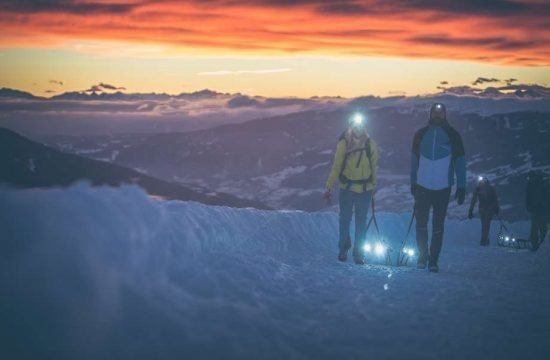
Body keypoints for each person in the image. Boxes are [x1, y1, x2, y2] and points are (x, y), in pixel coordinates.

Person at [410, 103, 466, 273]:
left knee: (438, 226)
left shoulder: (453, 135)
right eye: (435, 112)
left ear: (445, 115)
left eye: (440, 113)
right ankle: (422, 257)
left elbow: (460, 161)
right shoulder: (420, 135)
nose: (437, 115)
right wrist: (413, 181)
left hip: (443, 187)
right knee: (421, 223)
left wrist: (462, 186)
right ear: (430, 114)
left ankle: (433, 260)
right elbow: (414, 160)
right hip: (422, 186)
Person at [324, 113, 378, 264]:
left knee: (350, 221)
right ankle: (348, 250)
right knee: (350, 221)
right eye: (355, 124)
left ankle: (354, 252)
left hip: (357, 189)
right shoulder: (346, 143)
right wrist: (329, 186)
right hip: (353, 189)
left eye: (360, 124)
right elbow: (337, 166)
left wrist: (373, 185)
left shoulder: (369, 144)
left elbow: (374, 167)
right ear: (351, 125)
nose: (358, 127)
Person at [468, 176, 500, 246]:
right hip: (489, 209)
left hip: (482, 209)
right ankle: (485, 239)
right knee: (487, 224)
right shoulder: (491, 188)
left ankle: (484, 240)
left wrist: (471, 210)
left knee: (484, 225)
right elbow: (495, 198)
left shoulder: (478, 188)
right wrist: (496, 208)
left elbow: (474, 200)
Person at [526, 171, 550, 251]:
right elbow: (528, 198)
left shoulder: (541, 184)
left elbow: (546, 197)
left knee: (541, 228)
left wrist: (545, 206)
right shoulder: (531, 185)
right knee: (536, 228)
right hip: (535, 210)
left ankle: (542, 245)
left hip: (542, 210)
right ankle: (536, 245)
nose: (529, 179)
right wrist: (529, 207)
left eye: (530, 178)